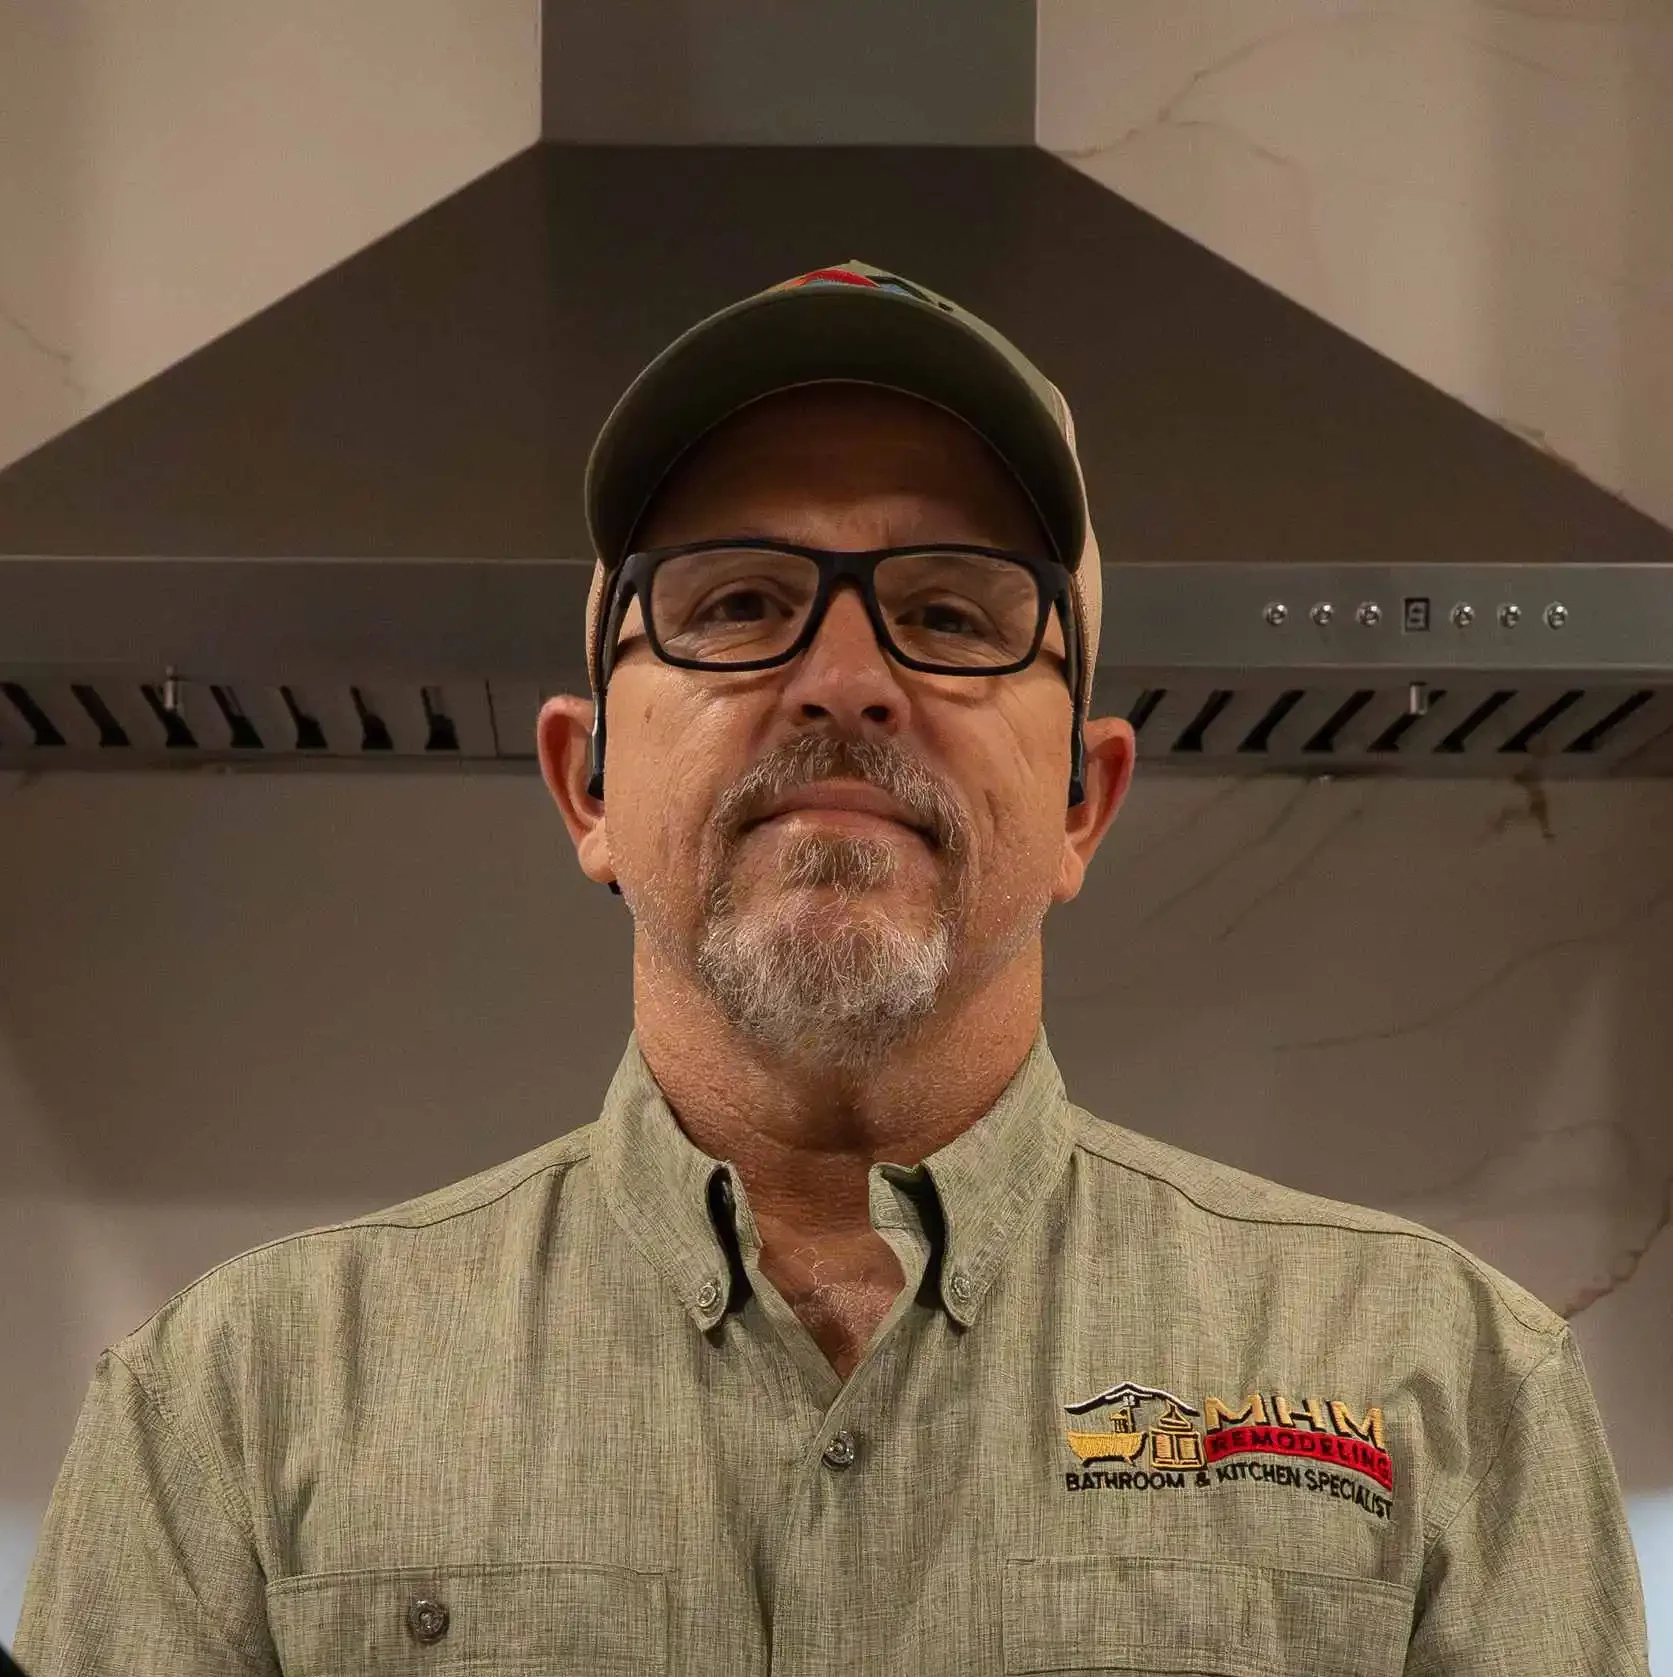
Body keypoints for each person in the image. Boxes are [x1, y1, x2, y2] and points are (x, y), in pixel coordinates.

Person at [15, 263, 1650, 1676]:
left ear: (1083, 804)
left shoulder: (1444, 1385)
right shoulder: (230, 1408)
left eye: (954, 612)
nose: (847, 678)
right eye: (739, 602)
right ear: (588, 787)